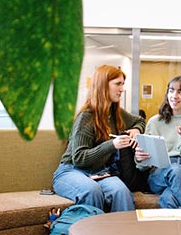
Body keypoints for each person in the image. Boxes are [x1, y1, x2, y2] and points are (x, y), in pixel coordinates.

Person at [52, 65, 144, 211]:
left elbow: (140, 120)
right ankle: (92, 233)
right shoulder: (86, 117)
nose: (121, 89)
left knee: (122, 193)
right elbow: (79, 158)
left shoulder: (115, 113)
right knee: (91, 191)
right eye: (117, 84)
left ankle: (124, 233)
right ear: (103, 85)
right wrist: (112, 145)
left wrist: (136, 129)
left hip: (99, 172)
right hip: (71, 171)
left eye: (122, 84)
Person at [135, 75, 181, 209]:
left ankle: (176, 228)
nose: (174, 96)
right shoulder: (154, 122)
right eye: (171, 90)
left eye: (180, 92)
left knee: (168, 198)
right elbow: (142, 166)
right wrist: (140, 158)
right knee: (176, 170)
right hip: (161, 172)